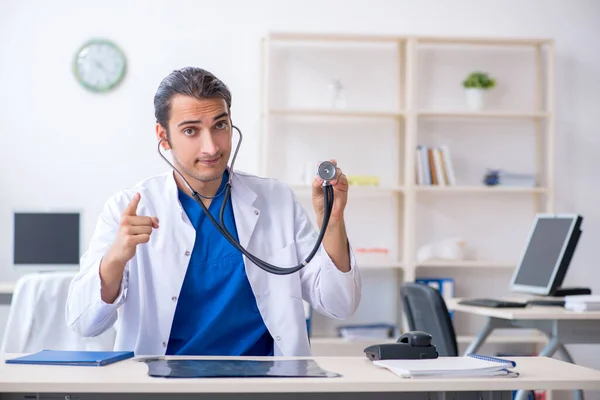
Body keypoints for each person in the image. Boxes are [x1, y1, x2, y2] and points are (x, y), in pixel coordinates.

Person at [65, 66, 361, 357]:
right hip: (162, 386)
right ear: (163, 136)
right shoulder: (128, 207)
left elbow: (340, 304)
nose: (211, 147)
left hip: (265, 384)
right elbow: (84, 323)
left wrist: (332, 222)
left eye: (220, 126)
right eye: (191, 130)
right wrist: (115, 258)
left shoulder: (276, 199)